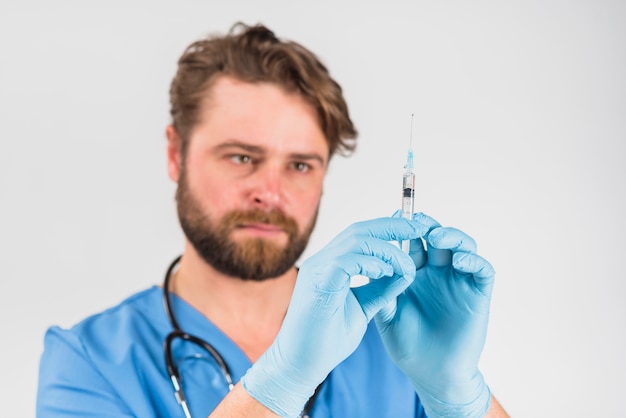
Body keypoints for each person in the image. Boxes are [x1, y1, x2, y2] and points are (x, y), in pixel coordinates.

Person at [37, 22, 508, 418]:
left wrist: (460, 394)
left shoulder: (392, 339)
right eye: (242, 157)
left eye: (300, 165)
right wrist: (280, 382)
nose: (271, 191)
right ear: (176, 154)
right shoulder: (90, 364)